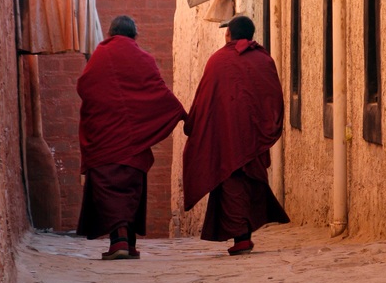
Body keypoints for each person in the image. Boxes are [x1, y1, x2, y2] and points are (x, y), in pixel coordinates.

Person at [77, 15, 186, 260]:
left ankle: (120, 241)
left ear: (110, 34)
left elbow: (84, 88)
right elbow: (158, 91)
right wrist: (180, 114)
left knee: (112, 193)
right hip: (133, 141)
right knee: (129, 192)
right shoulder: (144, 59)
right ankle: (127, 242)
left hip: (105, 138)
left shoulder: (98, 58)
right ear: (134, 35)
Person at [183, 14, 289, 255]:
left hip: (226, 138)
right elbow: (274, 97)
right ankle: (243, 237)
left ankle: (241, 238)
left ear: (227, 35)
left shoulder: (217, 61)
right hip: (253, 138)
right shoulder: (264, 60)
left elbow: (204, 99)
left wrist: (193, 124)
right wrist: (267, 128)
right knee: (249, 183)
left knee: (233, 184)